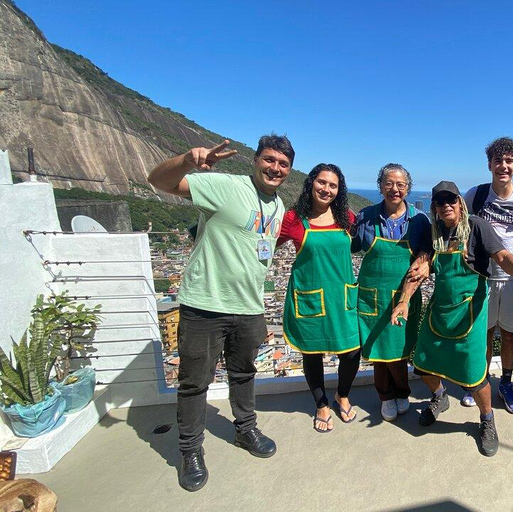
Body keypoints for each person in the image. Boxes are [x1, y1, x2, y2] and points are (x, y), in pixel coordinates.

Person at [147, 135, 294, 492]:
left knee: (244, 374)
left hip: (250, 307)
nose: (275, 168)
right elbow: (158, 182)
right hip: (205, 305)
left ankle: (245, 430)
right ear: (255, 160)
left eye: (283, 164)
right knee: (195, 383)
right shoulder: (225, 186)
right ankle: (190, 452)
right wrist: (187, 159)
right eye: (269, 160)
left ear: (288, 171)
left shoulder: (278, 205)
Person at [392, 181, 513, 457]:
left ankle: (486, 419)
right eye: (440, 202)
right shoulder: (434, 234)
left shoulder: (477, 226)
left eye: (451, 200)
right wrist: (403, 301)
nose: (446, 205)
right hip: (440, 310)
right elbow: (418, 269)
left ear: (460, 202)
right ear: (434, 208)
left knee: (474, 376)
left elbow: (503, 257)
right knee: (422, 364)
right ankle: (440, 397)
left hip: (471, 311)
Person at [279, 164, 360, 433]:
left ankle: (342, 395)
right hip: (310, 297)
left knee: (351, 352)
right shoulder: (293, 218)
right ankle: (322, 403)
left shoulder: (346, 217)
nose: (326, 189)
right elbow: (263, 245)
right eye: (322, 182)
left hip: (342, 297)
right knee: (312, 352)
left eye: (333, 185)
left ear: (339, 190)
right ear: (311, 183)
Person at [463, 137, 513, 413]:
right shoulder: (476, 194)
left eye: (509, 161)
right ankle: (480, 381)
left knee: (509, 335)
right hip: (484, 276)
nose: (503, 166)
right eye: (498, 161)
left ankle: (506, 383)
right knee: (484, 333)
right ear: (489, 165)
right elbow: (458, 224)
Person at [351, 163, 431, 421]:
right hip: (371, 295)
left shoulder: (420, 220)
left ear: (408, 188)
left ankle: (402, 392)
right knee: (378, 351)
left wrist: (426, 261)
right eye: (388, 183)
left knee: (399, 350)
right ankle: (385, 396)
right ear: (380, 186)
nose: (394, 189)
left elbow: (426, 252)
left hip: (404, 295)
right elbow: (350, 246)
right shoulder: (366, 216)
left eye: (400, 184)